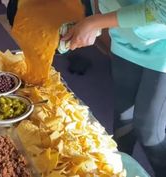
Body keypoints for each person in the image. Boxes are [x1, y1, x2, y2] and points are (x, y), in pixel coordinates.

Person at [62, 0, 166, 177]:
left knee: (149, 130)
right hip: (124, 38)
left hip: (161, 46)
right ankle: (118, 171)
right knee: (123, 118)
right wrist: (96, 18)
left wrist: (95, 22)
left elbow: (162, 10)